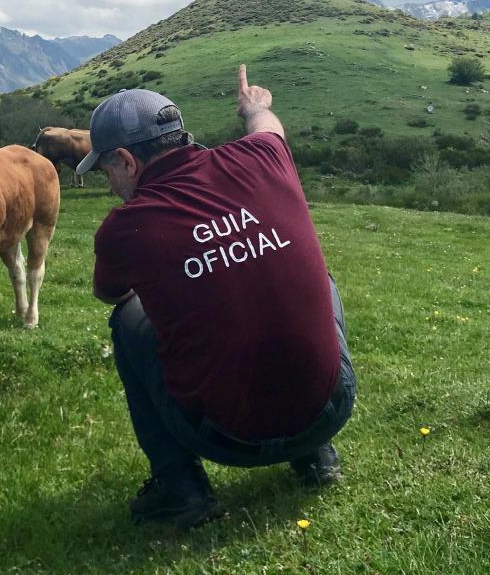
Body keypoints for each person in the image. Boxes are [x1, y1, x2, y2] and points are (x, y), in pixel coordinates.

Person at [76, 65, 356, 530]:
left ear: (126, 161)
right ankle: (315, 455)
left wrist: (182, 269)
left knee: (128, 320)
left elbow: (110, 294)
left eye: (107, 170)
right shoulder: (264, 157)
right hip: (330, 410)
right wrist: (254, 107)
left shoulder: (125, 227)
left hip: (225, 437)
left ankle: (180, 488)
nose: (110, 184)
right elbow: (267, 125)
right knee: (318, 282)